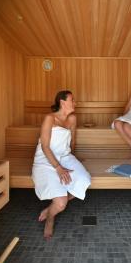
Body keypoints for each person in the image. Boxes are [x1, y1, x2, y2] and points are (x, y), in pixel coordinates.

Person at [32, 90, 91, 239]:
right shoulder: (49, 118)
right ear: (62, 102)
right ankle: (50, 218)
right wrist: (58, 168)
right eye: (73, 100)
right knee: (61, 203)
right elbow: (45, 146)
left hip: (65, 157)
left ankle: (50, 208)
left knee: (85, 180)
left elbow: (72, 142)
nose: (75, 103)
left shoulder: (72, 119)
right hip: (45, 160)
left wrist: (74, 159)